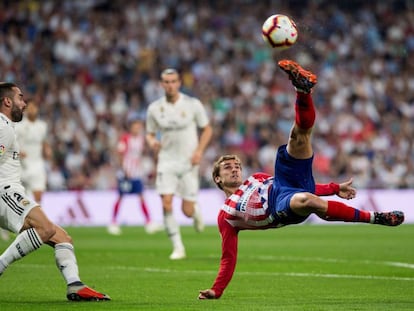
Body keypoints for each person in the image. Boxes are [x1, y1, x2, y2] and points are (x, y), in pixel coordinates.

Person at [198, 60, 404, 300]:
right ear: (217, 178)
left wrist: (334, 188)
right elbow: (228, 257)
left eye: (236, 165)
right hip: (279, 207)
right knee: (307, 200)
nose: (234, 169)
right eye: (227, 168)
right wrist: (217, 289)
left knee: (298, 136)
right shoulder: (226, 216)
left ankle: (302, 90)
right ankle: (375, 218)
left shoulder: (256, 179)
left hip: (284, 184)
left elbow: (297, 185)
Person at [0, 82, 110, 301]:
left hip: (11, 190)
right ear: (7, 101)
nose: (25, 103)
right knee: (45, 228)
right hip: (4, 191)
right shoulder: (2, 127)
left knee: (62, 237)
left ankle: (75, 285)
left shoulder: (8, 125)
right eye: (21, 97)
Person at [146, 68, 213, 260]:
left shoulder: (193, 105)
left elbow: (207, 129)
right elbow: (150, 133)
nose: (170, 85)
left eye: (173, 81)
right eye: (166, 82)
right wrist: (152, 143)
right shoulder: (154, 108)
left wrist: (199, 151)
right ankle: (178, 247)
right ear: (161, 84)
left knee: (187, 210)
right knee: (166, 202)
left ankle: (196, 210)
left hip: (188, 161)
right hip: (166, 160)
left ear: (179, 83)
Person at [108, 118, 163, 235]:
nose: (138, 128)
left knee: (141, 196)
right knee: (120, 196)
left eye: (139, 126)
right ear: (131, 127)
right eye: (136, 126)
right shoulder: (125, 138)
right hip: (125, 174)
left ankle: (149, 222)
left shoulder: (140, 140)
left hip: (136, 173)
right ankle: (113, 223)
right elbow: (120, 154)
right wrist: (124, 169)